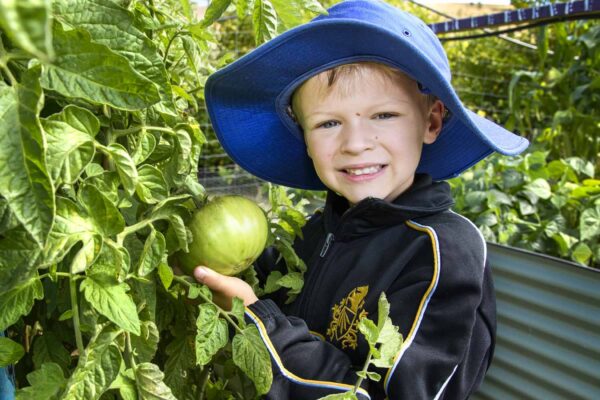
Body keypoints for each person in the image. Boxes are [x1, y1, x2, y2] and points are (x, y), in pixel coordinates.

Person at [197, 0, 529, 398]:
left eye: (383, 116)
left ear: (431, 121)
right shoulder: (319, 230)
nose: (355, 144)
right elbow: (270, 284)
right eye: (328, 123)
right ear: (305, 139)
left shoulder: (442, 252)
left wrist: (260, 321)